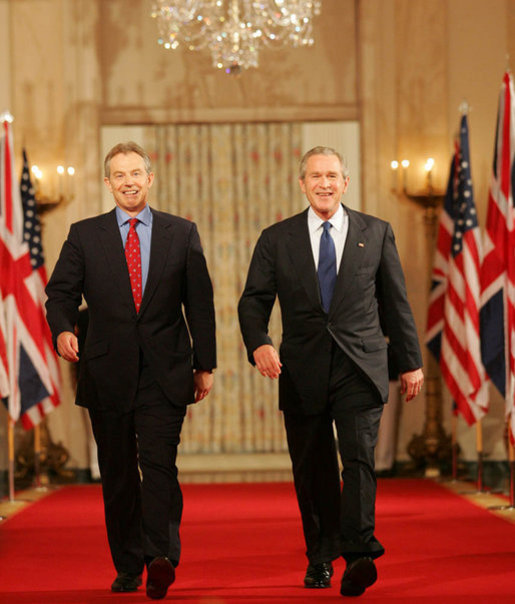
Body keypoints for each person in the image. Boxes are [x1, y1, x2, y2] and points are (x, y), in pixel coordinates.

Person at [238, 146, 423, 597]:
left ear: (346, 183)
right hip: (302, 369)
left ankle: (359, 553)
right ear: (302, 184)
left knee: (359, 460)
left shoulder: (375, 232)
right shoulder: (276, 238)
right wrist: (260, 343)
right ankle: (321, 557)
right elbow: (253, 301)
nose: (324, 183)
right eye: (316, 176)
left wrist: (411, 361)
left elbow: (395, 302)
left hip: (360, 366)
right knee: (313, 467)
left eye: (332, 175)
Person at [45, 142, 216, 600]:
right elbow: (59, 294)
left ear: (150, 177)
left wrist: (206, 364)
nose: (129, 181)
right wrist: (62, 330)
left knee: (159, 465)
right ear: (108, 184)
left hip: (166, 371)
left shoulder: (182, 233)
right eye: (119, 175)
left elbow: (199, 303)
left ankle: (160, 558)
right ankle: (127, 566)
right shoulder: (85, 235)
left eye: (136, 173)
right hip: (105, 372)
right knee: (117, 474)